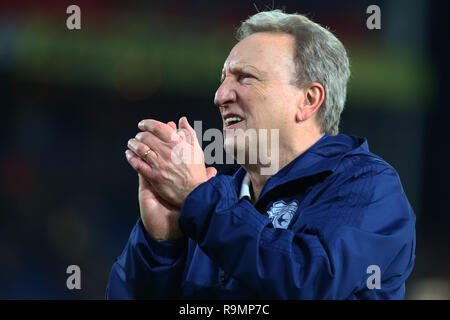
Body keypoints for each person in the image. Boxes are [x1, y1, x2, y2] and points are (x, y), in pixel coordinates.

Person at [106, 10, 416, 299]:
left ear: (308, 100)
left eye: (245, 77)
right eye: (223, 78)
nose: (220, 96)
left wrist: (201, 201)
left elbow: (312, 282)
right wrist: (160, 246)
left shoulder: (368, 186)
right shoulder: (211, 197)